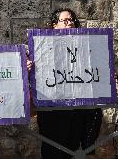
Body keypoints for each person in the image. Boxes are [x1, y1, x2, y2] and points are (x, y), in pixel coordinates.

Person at [36, 8, 103, 159]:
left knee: (73, 150)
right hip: (53, 110)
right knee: (53, 149)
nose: (69, 23)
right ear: (54, 25)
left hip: (76, 109)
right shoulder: (42, 44)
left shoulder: (84, 44)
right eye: (65, 20)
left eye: (71, 20)